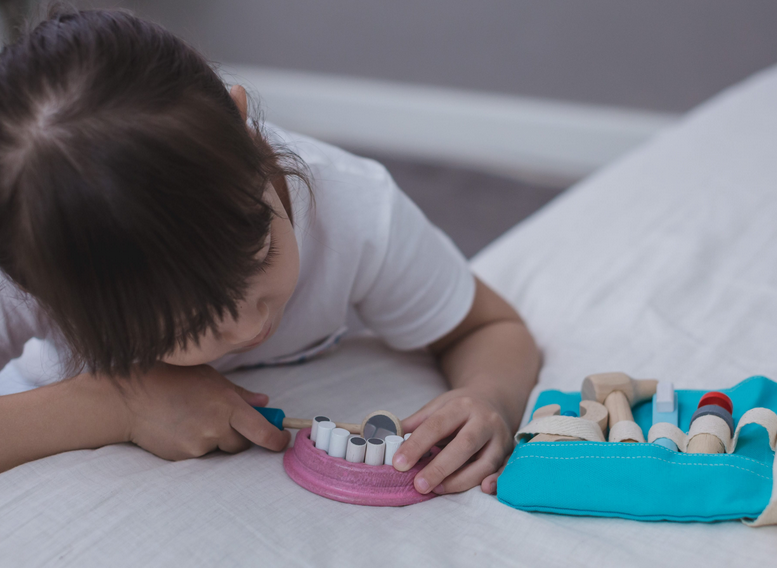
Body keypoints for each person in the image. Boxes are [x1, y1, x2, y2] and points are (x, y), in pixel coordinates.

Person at [0, 6, 540, 496]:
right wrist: (118, 403)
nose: (246, 326)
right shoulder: (31, 263)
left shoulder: (358, 212)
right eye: (180, 330)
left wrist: (490, 395)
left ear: (242, 125)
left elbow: (487, 327)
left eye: (258, 258)